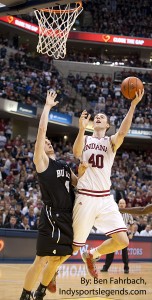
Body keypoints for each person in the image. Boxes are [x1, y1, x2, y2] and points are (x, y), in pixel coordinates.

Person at [72, 89, 144, 278]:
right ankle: (51, 272)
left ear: (107, 124)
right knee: (72, 247)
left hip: (104, 198)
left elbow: (123, 131)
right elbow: (76, 153)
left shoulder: (111, 142)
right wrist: (81, 129)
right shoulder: (86, 138)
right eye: (96, 116)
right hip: (86, 195)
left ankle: (91, 255)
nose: (98, 117)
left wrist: (133, 105)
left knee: (122, 240)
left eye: (102, 117)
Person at [19, 90, 78, 300]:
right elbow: (42, 131)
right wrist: (47, 107)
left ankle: (40, 292)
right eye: (45, 142)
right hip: (52, 215)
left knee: (59, 258)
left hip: (67, 216)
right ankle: (25, 295)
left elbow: (78, 184)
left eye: (49, 142)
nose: (48, 142)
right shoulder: (41, 162)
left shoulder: (62, 164)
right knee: (41, 259)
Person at [100, 199, 134, 274]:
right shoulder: (114, 213)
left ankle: (126, 267)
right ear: (118, 204)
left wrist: (131, 233)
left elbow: (132, 224)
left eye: (123, 203)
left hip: (124, 234)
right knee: (110, 250)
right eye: (120, 203)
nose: (122, 204)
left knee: (124, 252)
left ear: (125, 205)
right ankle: (106, 267)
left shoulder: (128, 214)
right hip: (114, 233)